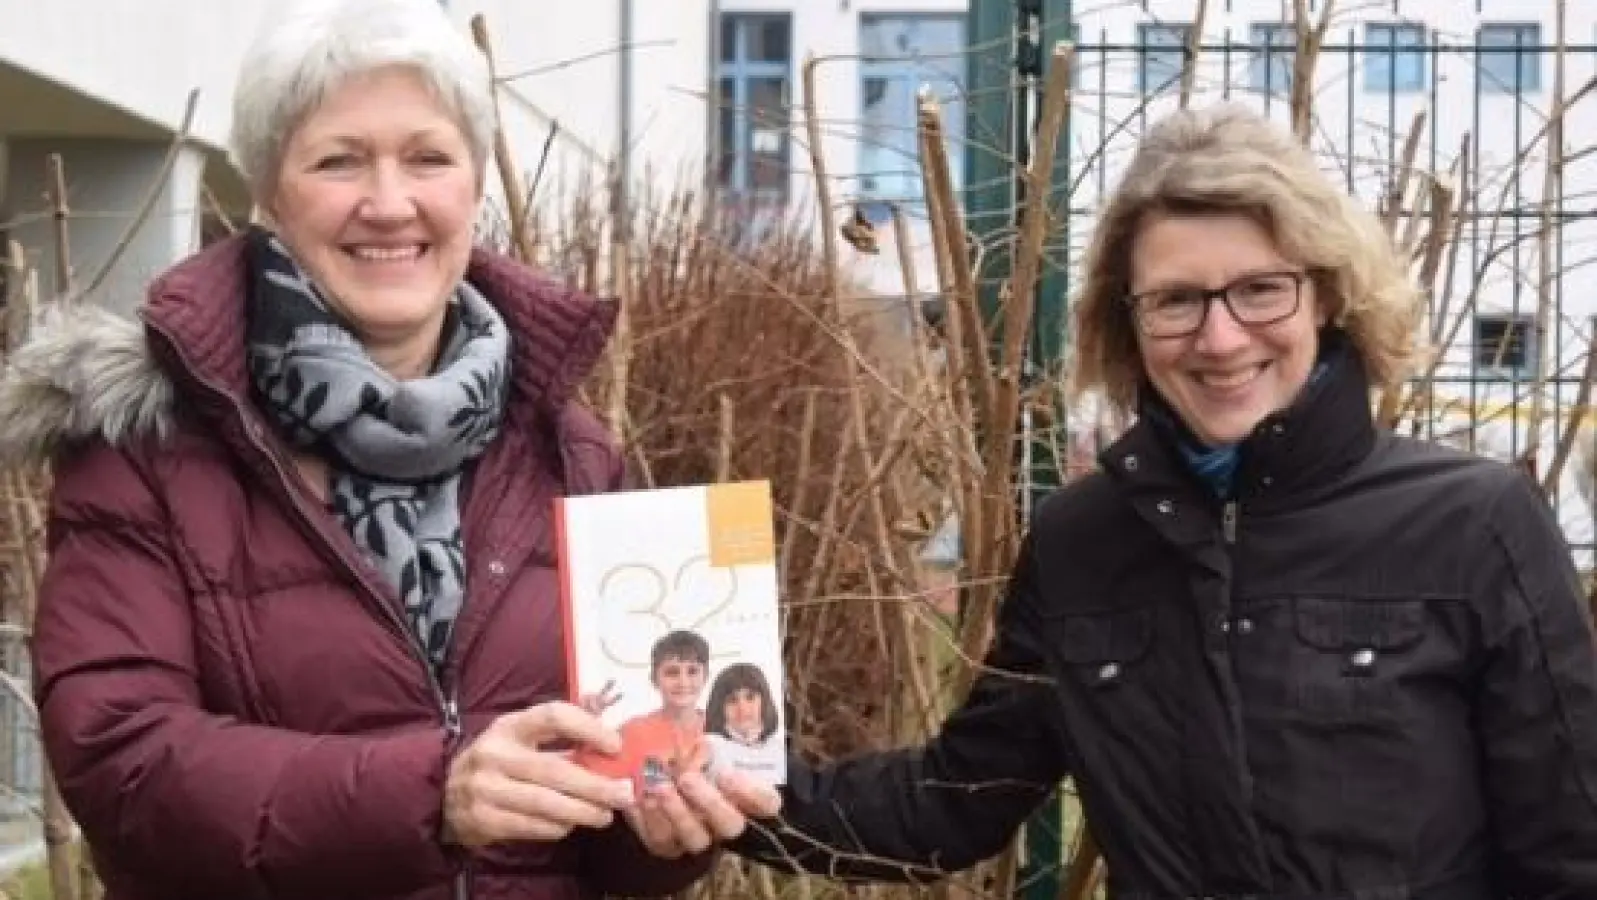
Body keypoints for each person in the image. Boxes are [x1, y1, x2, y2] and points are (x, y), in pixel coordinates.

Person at [672, 103, 1597, 898]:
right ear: (1128, 321)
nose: (1221, 336)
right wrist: (722, 785)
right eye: (1176, 301)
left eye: (1260, 290)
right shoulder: (1083, 540)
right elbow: (955, 802)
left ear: (1326, 296)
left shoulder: (1472, 523)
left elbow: (1569, 851)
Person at [0, 1, 775, 898]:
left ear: (473, 187)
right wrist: (431, 793)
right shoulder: (148, 446)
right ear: (267, 196)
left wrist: (665, 833)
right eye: (338, 160)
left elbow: (594, 838)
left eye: (428, 158)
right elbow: (124, 764)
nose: (389, 202)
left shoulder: (570, 451)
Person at [575, 631, 713, 796]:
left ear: (705, 677)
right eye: (672, 672)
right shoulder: (635, 731)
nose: (683, 682)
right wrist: (586, 722)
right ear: (654, 679)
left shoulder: (721, 729)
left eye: (692, 672)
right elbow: (585, 771)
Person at [702, 663, 785, 781]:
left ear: (764, 701)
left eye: (750, 697)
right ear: (720, 708)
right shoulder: (710, 745)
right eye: (732, 700)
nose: (742, 708)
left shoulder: (779, 749)